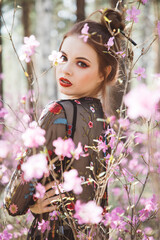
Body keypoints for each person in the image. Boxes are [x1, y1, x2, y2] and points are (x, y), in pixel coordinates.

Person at [4, 8, 125, 240]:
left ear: (103, 73)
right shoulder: (106, 123)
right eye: (63, 57)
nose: (65, 68)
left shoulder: (57, 111)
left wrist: (31, 205)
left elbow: (14, 205)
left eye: (81, 63)